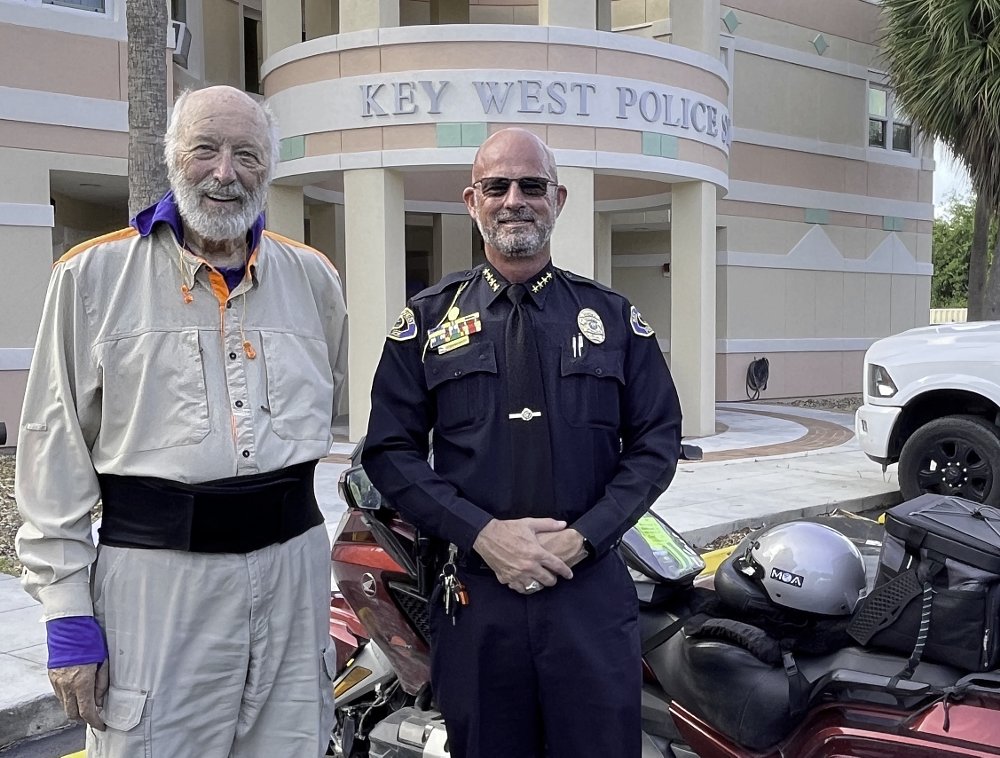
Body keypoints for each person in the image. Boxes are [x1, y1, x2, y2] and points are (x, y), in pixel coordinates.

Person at [15, 86, 347, 757]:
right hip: (157, 590)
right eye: (205, 150)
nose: (225, 172)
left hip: (292, 582)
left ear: (268, 169)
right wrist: (68, 617)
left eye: (246, 154)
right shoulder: (91, 278)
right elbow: (54, 453)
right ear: (174, 160)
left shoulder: (313, 279)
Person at [362, 128, 682, 758]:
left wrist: (584, 536)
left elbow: (657, 441)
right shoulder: (428, 321)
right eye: (496, 186)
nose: (514, 200)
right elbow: (389, 452)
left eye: (531, 186)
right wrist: (484, 533)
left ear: (557, 199)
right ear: (471, 200)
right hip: (478, 599)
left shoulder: (611, 318)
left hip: (587, 596)